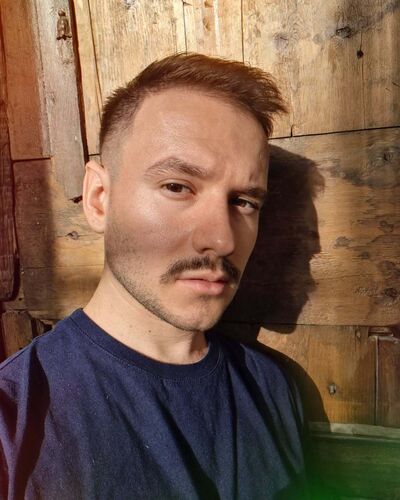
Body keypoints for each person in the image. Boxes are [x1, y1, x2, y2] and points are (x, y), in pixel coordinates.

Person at [0, 53, 309, 499]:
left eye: (244, 202)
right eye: (178, 187)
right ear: (99, 198)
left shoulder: (273, 388)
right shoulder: (13, 424)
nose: (222, 239)